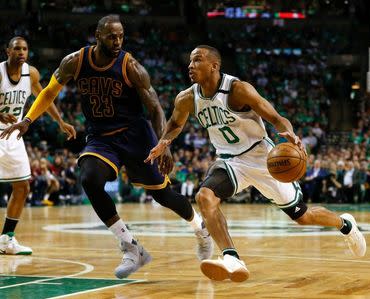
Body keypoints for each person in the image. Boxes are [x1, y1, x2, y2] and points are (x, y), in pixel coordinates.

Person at [0, 16, 213, 278]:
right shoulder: (75, 61)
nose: (117, 41)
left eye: (121, 36)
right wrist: (28, 119)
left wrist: (164, 143)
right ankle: (131, 247)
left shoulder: (130, 66)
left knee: (163, 195)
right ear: (98, 35)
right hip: (101, 137)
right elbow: (48, 93)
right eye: (112, 36)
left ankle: (200, 229)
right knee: (89, 178)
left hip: (136, 134)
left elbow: (155, 107)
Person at [147, 45, 367, 282]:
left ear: (214, 66)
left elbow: (275, 118)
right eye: (190, 61)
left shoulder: (238, 90)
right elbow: (175, 123)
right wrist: (164, 142)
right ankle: (232, 258)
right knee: (204, 197)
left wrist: (290, 134)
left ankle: (345, 224)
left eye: (197, 60)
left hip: (263, 158)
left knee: (302, 216)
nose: (190, 66)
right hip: (230, 161)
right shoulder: (187, 98)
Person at [0, 36, 76, 255]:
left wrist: (60, 121)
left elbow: (45, 97)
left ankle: (6, 239)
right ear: (8, 51)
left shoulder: (30, 73)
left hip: (13, 135)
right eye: (16, 48)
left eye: (24, 49)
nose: (21, 52)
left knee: (23, 187)